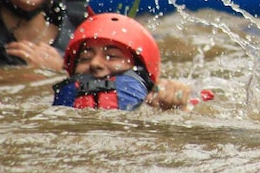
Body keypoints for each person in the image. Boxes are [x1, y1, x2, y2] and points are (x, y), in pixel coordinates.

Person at [52, 13, 208, 111]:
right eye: (85, 58)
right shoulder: (54, 112)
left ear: (142, 70)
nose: (95, 64)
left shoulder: (156, 108)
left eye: (112, 56)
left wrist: (178, 107)